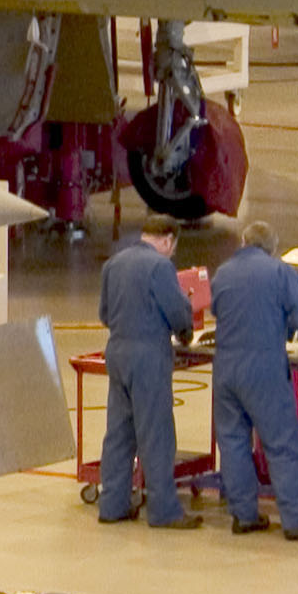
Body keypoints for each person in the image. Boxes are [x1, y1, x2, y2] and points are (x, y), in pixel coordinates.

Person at [209, 221, 298, 539]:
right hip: (263, 369)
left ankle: (244, 515)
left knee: (233, 443)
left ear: (244, 241)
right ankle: (296, 519)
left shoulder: (223, 273)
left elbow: (217, 310)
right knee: (282, 444)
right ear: (272, 249)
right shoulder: (280, 273)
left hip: (225, 370)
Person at [97, 220, 198, 529]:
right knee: (155, 434)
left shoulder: (113, 264)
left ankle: (112, 504)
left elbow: (104, 313)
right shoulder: (160, 267)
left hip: (117, 352)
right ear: (167, 241)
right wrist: (185, 331)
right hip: (148, 356)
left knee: (119, 433)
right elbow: (177, 312)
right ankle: (164, 510)